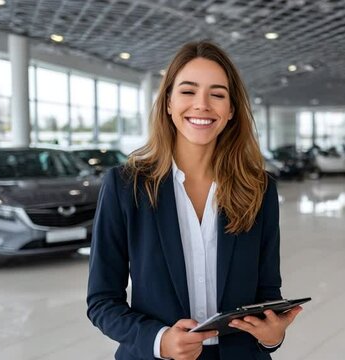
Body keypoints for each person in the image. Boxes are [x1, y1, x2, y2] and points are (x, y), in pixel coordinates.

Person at [87, 41, 302, 360]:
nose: (202, 105)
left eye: (217, 94)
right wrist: (158, 340)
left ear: (230, 110)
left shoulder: (259, 188)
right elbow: (102, 301)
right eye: (188, 91)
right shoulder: (125, 186)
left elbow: (267, 291)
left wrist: (271, 337)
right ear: (168, 103)